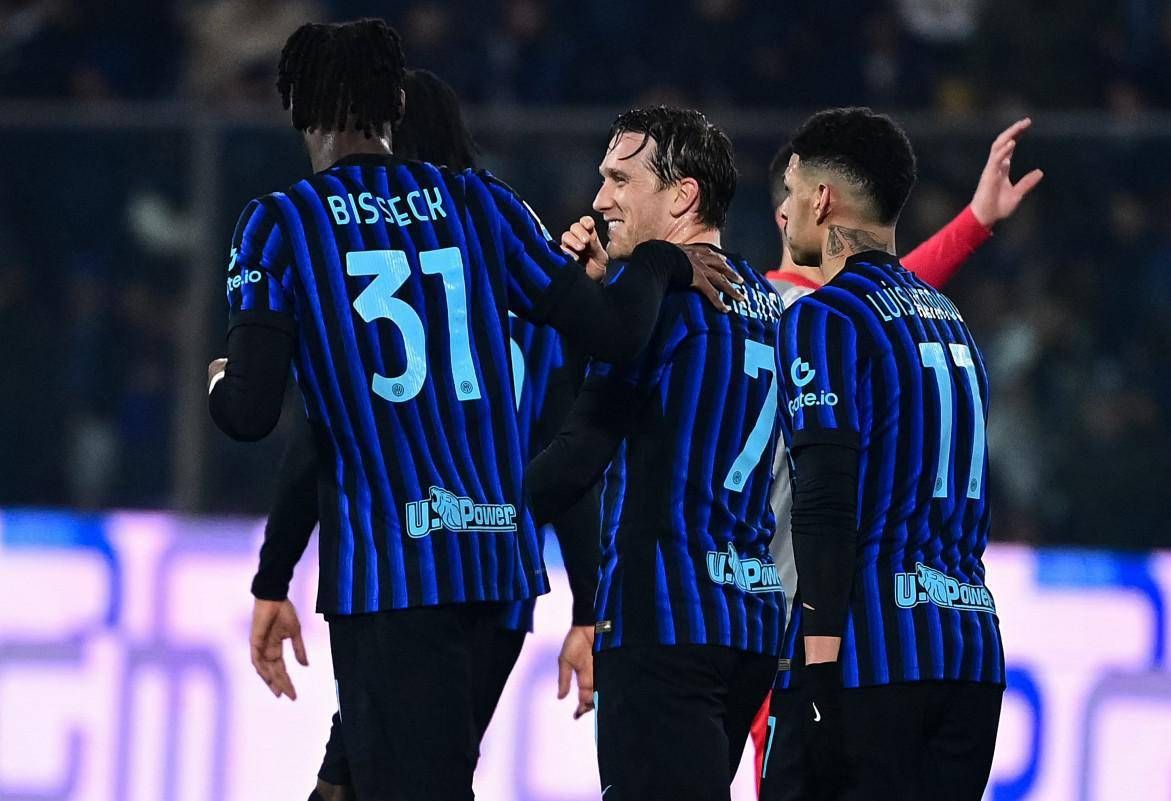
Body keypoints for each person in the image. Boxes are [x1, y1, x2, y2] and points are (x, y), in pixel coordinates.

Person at [206, 20, 738, 801]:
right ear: (395, 102)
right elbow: (614, 336)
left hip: (390, 572)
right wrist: (661, 260)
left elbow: (253, 414)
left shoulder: (282, 223)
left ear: (294, 108)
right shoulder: (482, 203)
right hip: (494, 570)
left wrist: (221, 380)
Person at [241, 68, 600, 801]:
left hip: (404, 575)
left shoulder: (364, 264)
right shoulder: (525, 265)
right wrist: (590, 605)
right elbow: (564, 451)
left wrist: (274, 574)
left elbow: (319, 438)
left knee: (370, 783)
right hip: (499, 584)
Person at [751, 118, 1042, 793]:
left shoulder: (815, 315)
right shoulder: (952, 322)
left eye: (792, 190)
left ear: (822, 199)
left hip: (862, 648)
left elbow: (825, 502)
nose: (784, 209)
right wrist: (973, 222)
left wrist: (816, 670)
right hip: (969, 647)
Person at [527, 106, 785, 801]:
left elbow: (581, 448)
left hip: (665, 618)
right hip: (747, 618)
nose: (600, 198)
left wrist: (489, 515)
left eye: (621, 179)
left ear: (682, 196)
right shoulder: (763, 300)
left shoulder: (658, 302)